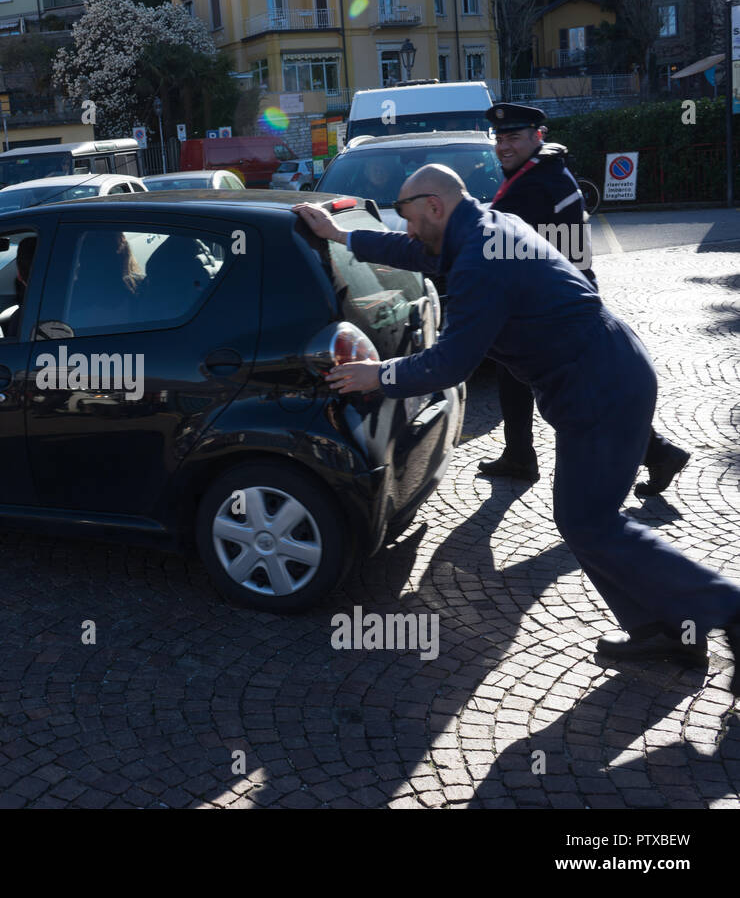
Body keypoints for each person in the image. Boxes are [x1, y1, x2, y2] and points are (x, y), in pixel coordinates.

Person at [292, 165, 740, 675]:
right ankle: (668, 629)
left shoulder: (481, 261)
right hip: (604, 371)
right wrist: (343, 236)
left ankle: (725, 608)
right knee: (585, 521)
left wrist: (380, 376)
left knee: (590, 521)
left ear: (435, 207)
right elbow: (415, 252)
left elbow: (450, 364)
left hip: (600, 386)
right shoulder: (482, 226)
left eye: (412, 218)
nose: (409, 229)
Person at [482, 103, 690, 495]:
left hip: (557, 311)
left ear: (536, 136)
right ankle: (519, 454)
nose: (503, 146)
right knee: (512, 375)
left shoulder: (538, 184)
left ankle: (658, 453)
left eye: (513, 137)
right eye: (499, 138)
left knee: (585, 398)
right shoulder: (540, 172)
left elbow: (502, 244)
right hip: (550, 304)